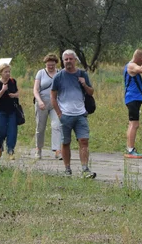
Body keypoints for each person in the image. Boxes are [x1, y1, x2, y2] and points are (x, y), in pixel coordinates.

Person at [51, 49, 96, 178]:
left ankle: (85, 169)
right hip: (65, 115)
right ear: (63, 61)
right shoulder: (58, 77)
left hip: (81, 114)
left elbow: (91, 92)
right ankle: (67, 169)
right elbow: (53, 97)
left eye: (71, 59)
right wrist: (60, 114)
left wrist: (84, 84)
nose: (68, 61)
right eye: (66, 59)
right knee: (65, 142)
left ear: (75, 60)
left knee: (83, 140)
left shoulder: (82, 74)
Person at [33, 53, 62, 160]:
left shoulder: (60, 73)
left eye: (52, 65)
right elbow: (35, 90)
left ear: (55, 64)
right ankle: (38, 149)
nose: (50, 67)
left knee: (56, 125)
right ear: (45, 64)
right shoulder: (40, 73)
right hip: (42, 102)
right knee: (40, 127)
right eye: (48, 65)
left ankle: (57, 150)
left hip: (55, 103)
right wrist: (39, 101)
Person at [0, 63, 20, 159]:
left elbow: (18, 92)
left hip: (12, 111)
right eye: (5, 72)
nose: (8, 74)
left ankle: (10, 151)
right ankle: (0, 146)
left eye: (9, 71)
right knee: (1, 131)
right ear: (1, 73)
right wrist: (3, 90)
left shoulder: (12, 81)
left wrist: (15, 95)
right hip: (1, 111)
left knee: (12, 132)